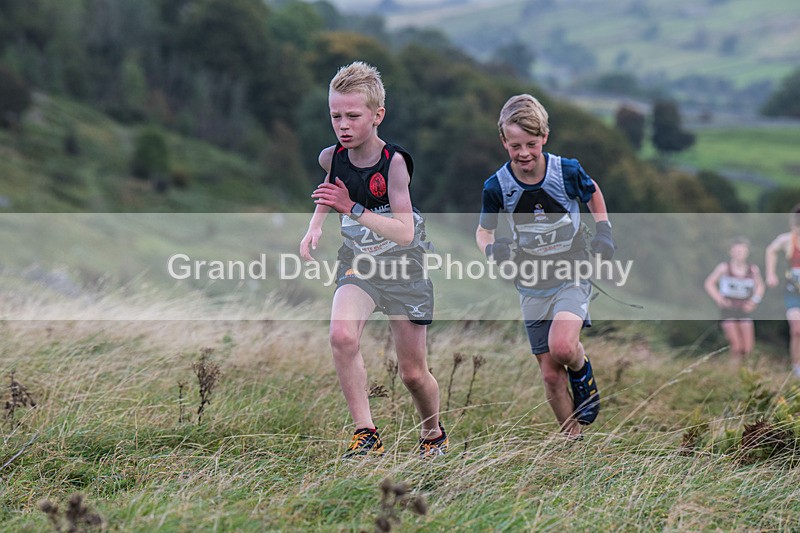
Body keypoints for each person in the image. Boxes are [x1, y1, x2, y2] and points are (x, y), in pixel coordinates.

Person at [299, 61, 447, 458]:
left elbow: (405, 231)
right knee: (342, 336)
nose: (342, 126)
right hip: (359, 264)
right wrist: (315, 226)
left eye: (353, 116)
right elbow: (332, 187)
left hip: (404, 268)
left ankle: (433, 433)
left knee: (412, 374)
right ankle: (366, 434)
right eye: (335, 116)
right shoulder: (331, 157)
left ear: (378, 115)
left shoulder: (394, 163)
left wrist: (352, 209)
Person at [475, 94, 614, 439]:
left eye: (531, 144)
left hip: (571, 274)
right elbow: (483, 232)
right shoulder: (496, 186)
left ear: (544, 138)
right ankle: (574, 444)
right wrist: (493, 251)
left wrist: (604, 230)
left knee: (563, 347)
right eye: (515, 146)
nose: (524, 153)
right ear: (503, 141)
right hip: (531, 284)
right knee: (551, 375)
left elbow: (593, 191)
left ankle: (582, 371)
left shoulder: (565, 171)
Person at [703, 237, 765, 366]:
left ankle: (747, 372)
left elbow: (760, 286)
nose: (739, 254)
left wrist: (754, 301)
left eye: (742, 251)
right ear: (730, 252)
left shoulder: (753, 269)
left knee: (747, 348)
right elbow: (709, 283)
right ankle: (732, 373)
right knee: (736, 346)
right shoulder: (724, 268)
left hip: (744, 309)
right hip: (729, 310)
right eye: (736, 251)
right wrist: (719, 299)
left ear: (747, 252)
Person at [765, 204, 800, 378]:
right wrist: (770, 274)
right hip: (793, 293)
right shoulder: (787, 240)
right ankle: (796, 368)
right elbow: (771, 250)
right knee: (797, 330)